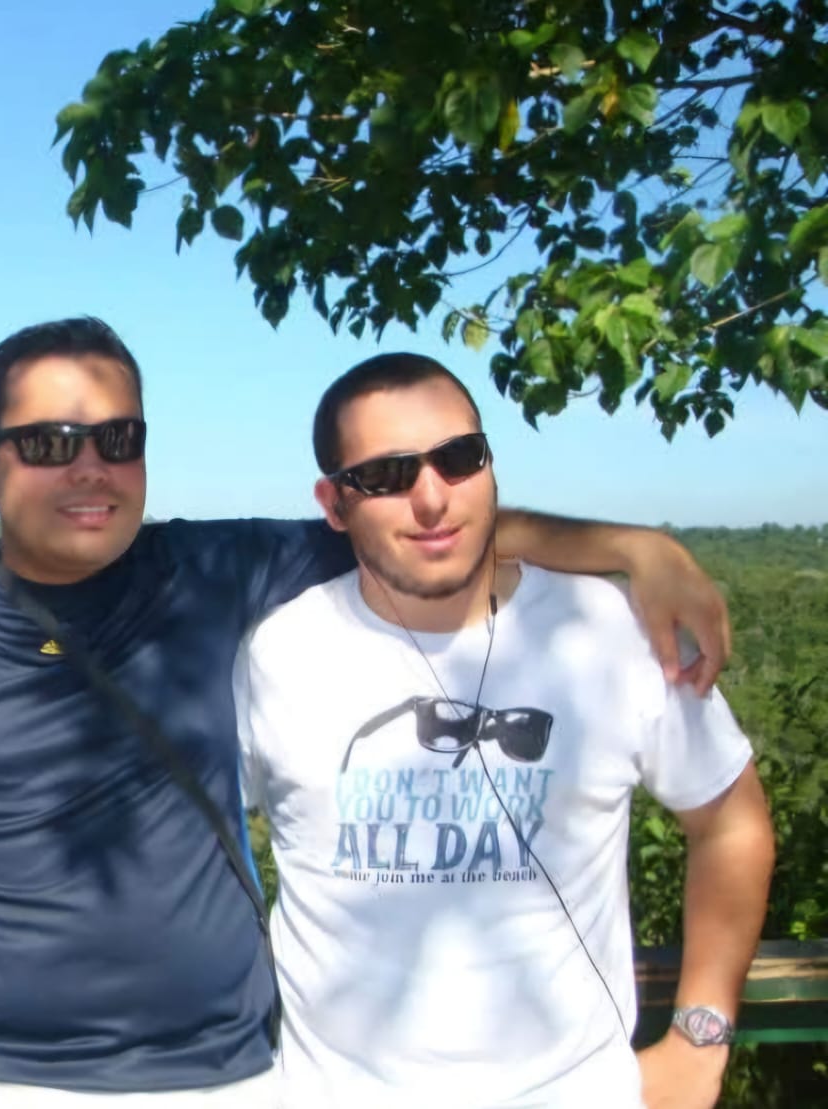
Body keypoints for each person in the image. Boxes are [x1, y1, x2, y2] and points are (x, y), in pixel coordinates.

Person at [0, 319, 731, 1108]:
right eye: (49, 442)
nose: (90, 466)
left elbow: (416, 517)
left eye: (117, 438)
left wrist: (634, 547)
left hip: (230, 1076)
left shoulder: (219, 572)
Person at [234, 353, 774, 1109]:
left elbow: (730, 823)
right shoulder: (279, 653)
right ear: (334, 503)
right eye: (387, 475)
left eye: (459, 458)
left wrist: (700, 1037)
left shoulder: (610, 632)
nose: (432, 497)